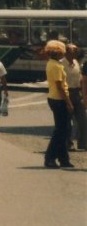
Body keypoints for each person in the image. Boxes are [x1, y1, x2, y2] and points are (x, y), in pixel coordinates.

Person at [44, 40, 74, 168]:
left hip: (54, 98)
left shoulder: (51, 63)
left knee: (63, 130)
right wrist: (68, 102)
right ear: (58, 53)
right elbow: (60, 86)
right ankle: (50, 157)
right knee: (61, 131)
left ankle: (63, 159)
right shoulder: (56, 66)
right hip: (59, 99)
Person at [61, 45, 85, 151]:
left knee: (83, 119)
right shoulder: (61, 63)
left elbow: (80, 78)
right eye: (73, 50)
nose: (76, 51)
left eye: (76, 49)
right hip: (67, 93)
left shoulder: (76, 62)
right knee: (67, 121)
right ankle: (68, 144)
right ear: (66, 52)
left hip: (77, 93)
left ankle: (83, 144)